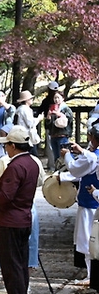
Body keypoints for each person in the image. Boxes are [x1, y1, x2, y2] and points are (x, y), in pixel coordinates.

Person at [0, 125, 40, 294]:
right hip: (24, 217)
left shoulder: (15, 166)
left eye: (7, 145)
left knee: (11, 264)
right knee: (21, 262)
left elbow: (5, 196)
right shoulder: (32, 163)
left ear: (14, 146)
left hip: (10, 220)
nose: (5, 148)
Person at [62, 127, 99, 274]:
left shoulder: (93, 156)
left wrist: (67, 156)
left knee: (88, 239)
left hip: (90, 203)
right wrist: (82, 151)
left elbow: (75, 169)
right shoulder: (92, 154)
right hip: (92, 201)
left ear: (91, 137)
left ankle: (91, 275)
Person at [46, 91, 73, 169]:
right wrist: (48, 118)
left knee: (64, 156)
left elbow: (69, 120)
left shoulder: (66, 109)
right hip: (54, 135)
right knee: (56, 156)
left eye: (58, 97)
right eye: (55, 98)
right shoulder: (52, 108)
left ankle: (64, 171)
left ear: (62, 98)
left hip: (63, 135)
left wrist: (60, 114)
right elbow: (48, 125)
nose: (56, 99)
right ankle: (57, 170)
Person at [14, 89, 43, 158]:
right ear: (27, 100)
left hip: (23, 135)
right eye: (31, 99)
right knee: (33, 156)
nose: (32, 100)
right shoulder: (24, 109)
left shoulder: (20, 109)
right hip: (27, 136)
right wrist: (38, 119)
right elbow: (30, 123)